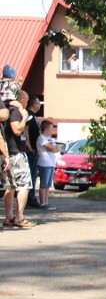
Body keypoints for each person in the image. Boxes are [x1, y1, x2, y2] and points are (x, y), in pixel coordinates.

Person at [2, 89, 36, 228]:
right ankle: (19, 217)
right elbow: (17, 129)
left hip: (8, 153)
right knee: (24, 185)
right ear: (21, 100)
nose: (27, 104)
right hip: (16, 153)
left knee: (10, 186)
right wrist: (24, 117)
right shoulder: (15, 112)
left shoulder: (6, 109)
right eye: (26, 101)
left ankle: (9, 216)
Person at [36, 120, 59, 210]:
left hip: (51, 163)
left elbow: (56, 149)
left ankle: (46, 202)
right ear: (46, 128)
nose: (52, 130)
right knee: (43, 184)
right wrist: (54, 148)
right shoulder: (42, 138)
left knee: (48, 185)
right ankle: (42, 203)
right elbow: (50, 148)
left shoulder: (51, 139)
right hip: (44, 163)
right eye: (51, 128)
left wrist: (54, 148)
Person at [24, 96, 41, 208]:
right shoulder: (29, 115)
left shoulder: (33, 116)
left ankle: (32, 198)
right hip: (31, 151)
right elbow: (25, 129)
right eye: (38, 103)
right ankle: (29, 199)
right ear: (33, 104)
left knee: (33, 174)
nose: (40, 105)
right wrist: (29, 146)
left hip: (35, 149)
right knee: (30, 174)